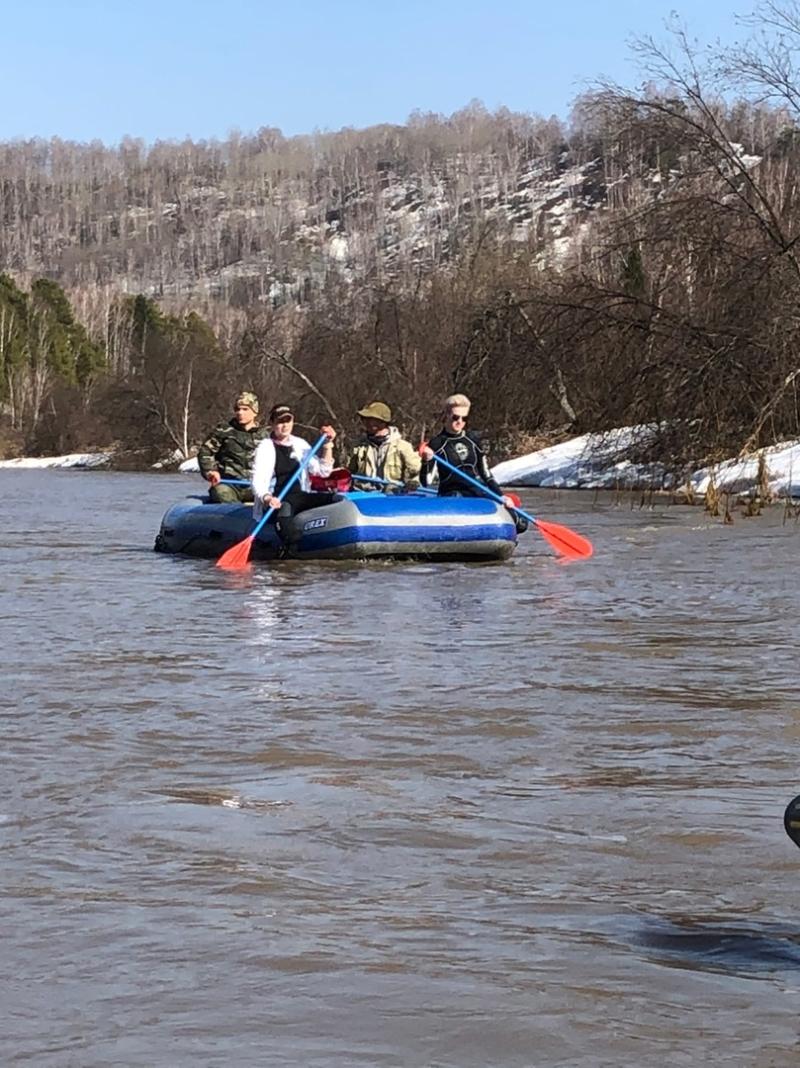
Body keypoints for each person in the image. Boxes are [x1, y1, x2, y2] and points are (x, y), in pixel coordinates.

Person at [420, 394, 523, 522]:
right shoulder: (436, 444)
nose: (460, 422)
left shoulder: (473, 440)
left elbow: (486, 474)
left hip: (473, 489)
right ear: (446, 415)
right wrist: (426, 461)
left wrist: (500, 496)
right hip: (451, 492)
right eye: (455, 417)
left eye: (464, 418)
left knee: (519, 522)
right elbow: (426, 482)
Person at [251, 404, 339, 541]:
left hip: (301, 496)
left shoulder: (300, 444)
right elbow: (258, 481)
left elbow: (323, 471)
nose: (285, 425)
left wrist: (327, 445)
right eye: (280, 422)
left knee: (335, 498)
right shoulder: (265, 447)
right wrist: (267, 498)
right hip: (278, 500)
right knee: (285, 508)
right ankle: (290, 544)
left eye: (288, 421)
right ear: (272, 424)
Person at [197, 391, 270, 503]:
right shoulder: (224, 430)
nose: (240, 413)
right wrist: (210, 472)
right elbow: (205, 452)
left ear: (255, 412)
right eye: (237, 409)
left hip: (255, 486)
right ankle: (233, 516)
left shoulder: (265, 436)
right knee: (221, 492)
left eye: (245, 409)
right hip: (229, 484)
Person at [347, 401, 421, 491]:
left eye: (369, 419)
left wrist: (413, 482)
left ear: (382, 422)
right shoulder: (358, 446)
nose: (365, 422)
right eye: (364, 419)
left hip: (392, 497)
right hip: (364, 496)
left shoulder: (403, 447)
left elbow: (417, 471)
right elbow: (349, 473)